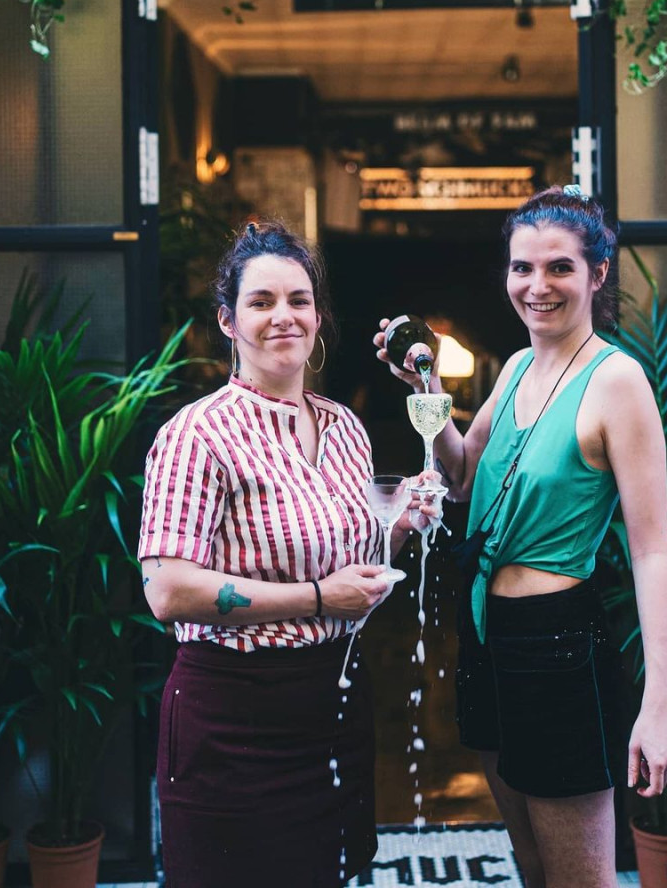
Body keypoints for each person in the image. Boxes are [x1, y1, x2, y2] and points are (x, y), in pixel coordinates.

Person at [374, 185, 667, 888]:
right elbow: (462, 476)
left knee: (581, 879)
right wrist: (421, 384)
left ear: (597, 274)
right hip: (486, 629)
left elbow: (652, 551)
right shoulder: (517, 368)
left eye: (559, 268)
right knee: (534, 865)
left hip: (557, 644)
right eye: (522, 268)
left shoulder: (618, 383)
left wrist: (659, 704)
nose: (536, 286)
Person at [139, 220, 435, 888]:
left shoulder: (345, 428)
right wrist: (319, 599)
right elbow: (167, 590)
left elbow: (348, 557)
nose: (284, 317)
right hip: (231, 722)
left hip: (332, 708)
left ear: (320, 317)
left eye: (299, 301)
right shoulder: (197, 436)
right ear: (228, 320)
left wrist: (401, 524)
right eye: (261, 301)